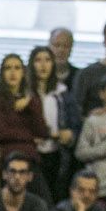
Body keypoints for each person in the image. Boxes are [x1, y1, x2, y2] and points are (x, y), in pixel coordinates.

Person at [0, 53, 50, 185]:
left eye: (17, 68)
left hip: (30, 159)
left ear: (23, 72)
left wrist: (30, 104)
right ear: (1, 73)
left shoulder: (31, 99)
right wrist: (29, 137)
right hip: (3, 160)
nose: (13, 72)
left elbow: (42, 132)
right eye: (8, 68)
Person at [27, 45, 75, 199]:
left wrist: (70, 134)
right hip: (31, 153)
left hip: (57, 152)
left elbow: (75, 122)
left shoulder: (62, 92)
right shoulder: (24, 93)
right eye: (38, 60)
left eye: (47, 60)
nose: (43, 65)